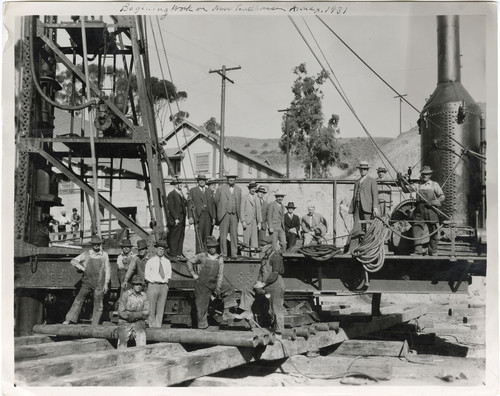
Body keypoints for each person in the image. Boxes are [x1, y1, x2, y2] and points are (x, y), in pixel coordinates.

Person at [186, 236, 237, 329]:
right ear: (207, 247)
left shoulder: (219, 258)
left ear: (216, 247)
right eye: (209, 247)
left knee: (229, 289)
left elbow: (220, 275)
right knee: (202, 307)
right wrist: (193, 274)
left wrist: (218, 287)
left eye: (213, 246)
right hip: (202, 285)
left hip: (213, 283)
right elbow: (189, 262)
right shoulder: (202, 256)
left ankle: (226, 312)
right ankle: (202, 327)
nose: (211, 248)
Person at [238, 239, 285, 336]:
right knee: (247, 288)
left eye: (263, 246)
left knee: (277, 309)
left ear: (268, 246)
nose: (261, 248)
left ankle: (280, 331)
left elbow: (275, 274)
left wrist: (263, 284)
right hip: (265, 285)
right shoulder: (264, 259)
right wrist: (258, 283)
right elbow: (261, 273)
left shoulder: (276, 257)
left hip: (275, 286)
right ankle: (247, 312)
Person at [63, 235, 110, 325]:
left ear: (100, 244)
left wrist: (106, 284)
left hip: (99, 283)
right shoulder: (87, 254)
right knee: (78, 299)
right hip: (87, 283)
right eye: (94, 244)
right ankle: (69, 319)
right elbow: (73, 261)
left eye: (98, 244)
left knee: (98, 304)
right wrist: (83, 268)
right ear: (92, 244)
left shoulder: (104, 255)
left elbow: (107, 269)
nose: (96, 246)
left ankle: (95, 323)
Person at [398, 166, 445, 256]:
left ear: (430, 175)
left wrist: (434, 202)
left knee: (434, 230)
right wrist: (401, 181)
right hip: (419, 210)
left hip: (432, 209)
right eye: (423, 174)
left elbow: (442, 196)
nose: (425, 176)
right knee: (416, 230)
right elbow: (405, 190)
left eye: (427, 174)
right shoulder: (417, 185)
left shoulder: (434, 185)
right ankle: (418, 251)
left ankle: (433, 251)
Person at [348, 161, 380, 247]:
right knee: (356, 227)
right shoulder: (357, 182)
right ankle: (353, 248)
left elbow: (375, 195)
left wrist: (375, 208)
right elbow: (354, 195)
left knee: (368, 228)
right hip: (357, 207)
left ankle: (369, 247)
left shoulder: (372, 181)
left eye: (365, 169)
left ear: (367, 170)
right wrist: (352, 207)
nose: (363, 171)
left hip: (367, 207)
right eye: (361, 169)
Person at [117, 275, 149, 349]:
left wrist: (135, 315)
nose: (138, 286)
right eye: (136, 284)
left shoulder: (144, 296)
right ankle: (121, 358)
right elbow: (121, 312)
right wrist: (129, 316)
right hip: (125, 322)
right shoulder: (126, 295)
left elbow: (147, 312)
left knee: (142, 344)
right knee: (122, 345)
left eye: (140, 284)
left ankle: (140, 358)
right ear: (132, 285)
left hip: (139, 322)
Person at [144, 240, 172, 328]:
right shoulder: (150, 261)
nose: (161, 251)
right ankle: (151, 328)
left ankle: (158, 328)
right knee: (151, 309)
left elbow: (168, 274)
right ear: (156, 249)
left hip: (163, 286)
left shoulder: (167, 262)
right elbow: (146, 274)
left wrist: (165, 284)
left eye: (163, 250)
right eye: (159, 249)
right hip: (153, 285)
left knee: (160, 309)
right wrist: (153, 282)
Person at [215, 173, 242, 258]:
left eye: (233, 178)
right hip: (224, 214)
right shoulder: (220, 188)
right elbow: (216, 201)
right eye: (230, 178)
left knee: (234, 235)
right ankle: (224, 254)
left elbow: (239, 202)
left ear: (235, 179)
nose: (231, 179)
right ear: (227, 179)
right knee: (223, 236)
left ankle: (234, 254)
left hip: (234, 215)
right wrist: (221, 211)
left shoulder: (238, 189)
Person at [188, 174, 216, 254]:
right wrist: (190, 216)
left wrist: (213, 217)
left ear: (205, 181)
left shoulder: (209, 191)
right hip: (198, 216)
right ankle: (199, 253)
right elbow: (189, 204)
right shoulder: (193, 190)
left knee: (207, 236)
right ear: (198, 181)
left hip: (208, 216)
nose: (201, 181)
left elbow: (213, 205)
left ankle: (206, 253)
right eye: (200, 180)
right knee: (199, 235)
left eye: (203, 180)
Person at [167, 177, 187, 259]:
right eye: (178, 184)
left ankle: (179, 253)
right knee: (175, 236)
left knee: (181, 235)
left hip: (182, 218)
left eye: (180, 183)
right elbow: (171, 208)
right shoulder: (172, 194)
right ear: (174, 185)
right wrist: (176, 218)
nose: (180, 185)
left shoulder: (181, 194)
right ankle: (173, 254)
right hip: (177, 219)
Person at [240, 180, 262, 252]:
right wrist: (243, 221)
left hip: (254, 221)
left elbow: (259, 211)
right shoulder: (244, 197)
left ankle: (253, 256)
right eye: (252, 188)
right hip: (247, 221)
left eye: (254, 188)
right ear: (249, 189)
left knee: (254, 241)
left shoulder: (257, 198)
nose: (253, 190)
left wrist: (259, 222)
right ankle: (245, 255)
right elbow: (242, 210)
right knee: (246, 240)